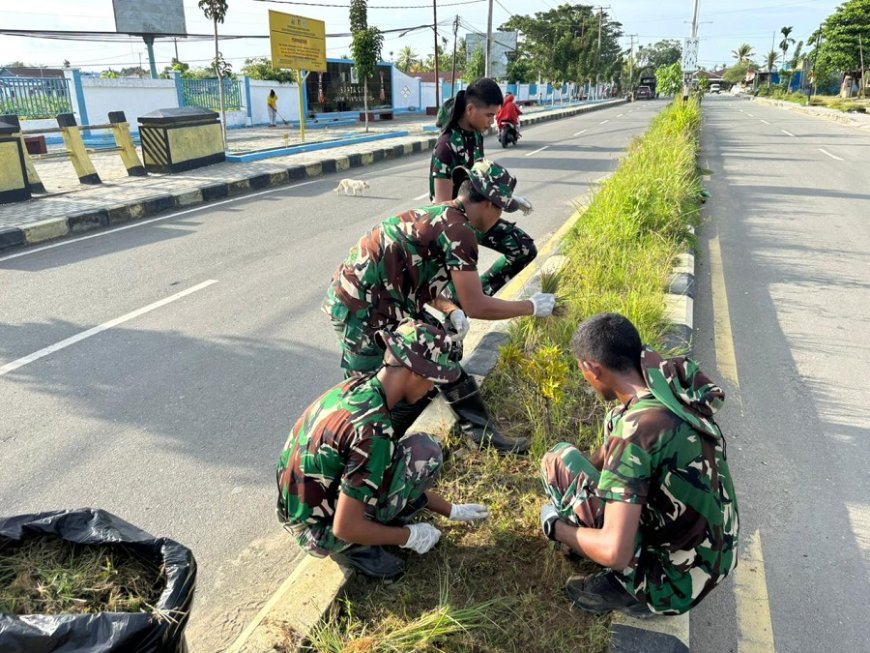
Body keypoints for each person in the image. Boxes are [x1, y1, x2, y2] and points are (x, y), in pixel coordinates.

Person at [324, 159, 556, 454]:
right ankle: (361, 460)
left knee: (436, 350)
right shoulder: (460, 233)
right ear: (488, 205)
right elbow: (476, 305)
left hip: (383, 300)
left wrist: (448, 308)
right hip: (361, 309)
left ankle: (479, 434)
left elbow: (410, 274)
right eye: (500, 209)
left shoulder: (440, 214)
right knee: (372, 394)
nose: (499, 218)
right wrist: (530, 307)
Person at [539, 313, 739, 617]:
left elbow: (614, 552)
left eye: (583, 371)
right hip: (718, 558)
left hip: (677, 587)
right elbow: (608, 452)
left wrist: (557, 527)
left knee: (558, 460)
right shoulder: (666, 384)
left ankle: (626, 590)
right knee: (612, 423)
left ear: (593, 369)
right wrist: (599, 473)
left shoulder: (635, 434)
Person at [276, 320, 490, 579]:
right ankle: (358, 547)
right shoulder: (374, 432)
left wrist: (450, 509)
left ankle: (373, 528)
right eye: (432, 379)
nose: (432, 388)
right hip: (319, 532)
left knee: (407, 456)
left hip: (303, 510)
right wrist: (408, 536)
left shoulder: (357, 388)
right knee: (425, 453)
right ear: (415, 373)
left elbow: (385, 469)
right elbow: (345, 526)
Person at [430, 78, 536, 299]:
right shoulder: (446, 147)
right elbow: (441, 208)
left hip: (478, 213)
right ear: (470, 109)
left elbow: (482, 180)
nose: (493, 121)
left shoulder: (475, 135)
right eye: (489, 115)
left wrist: (510, 199)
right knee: (456, 307)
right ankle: (464, 300)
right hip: (455, 225)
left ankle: (475, 296)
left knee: (524, 249)